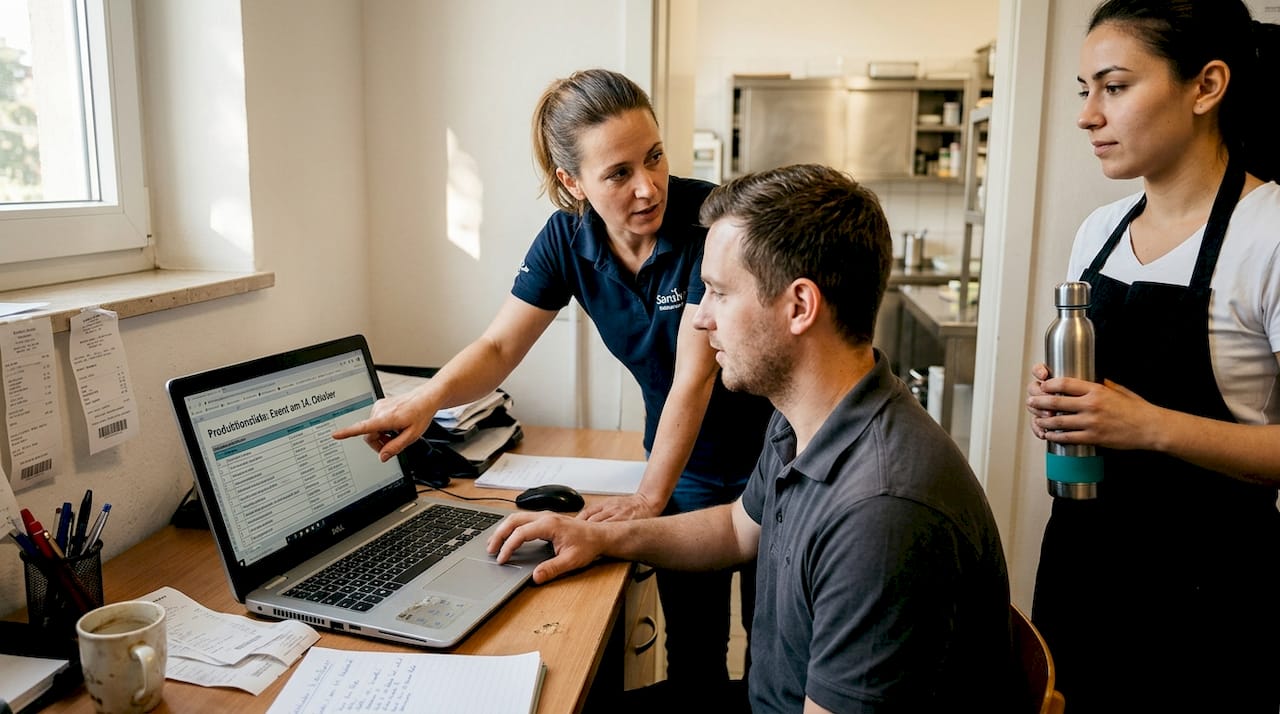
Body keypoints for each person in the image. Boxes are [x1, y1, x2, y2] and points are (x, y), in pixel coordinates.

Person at [488, 164, 1014, 713]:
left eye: (718, 292)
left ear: (799, 307)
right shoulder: (803, 419)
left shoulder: (882, 512)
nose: (700, 319)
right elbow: (737, 529)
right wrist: (601, 538)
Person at [333, 69, 773, 690]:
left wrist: (646, 502)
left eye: (654, 157)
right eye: (618, 173)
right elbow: (498, 345)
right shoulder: (567, 240)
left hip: (769, 456)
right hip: (684, 465)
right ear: (572, 182)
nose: (648, 187)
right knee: (694, 659)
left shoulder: (709, 223)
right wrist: (426, 399)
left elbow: (693, 379)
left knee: (772, 657)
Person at [1025, 2, 1280, 711]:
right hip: (1081, 568)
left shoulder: (1269, 235)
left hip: (1210, 598)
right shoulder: (1100, 231)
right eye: (1085, 91)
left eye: (1114, 87)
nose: (1088, 116)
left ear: (1206, 86)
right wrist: (1060, 404)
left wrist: (1149, 427)